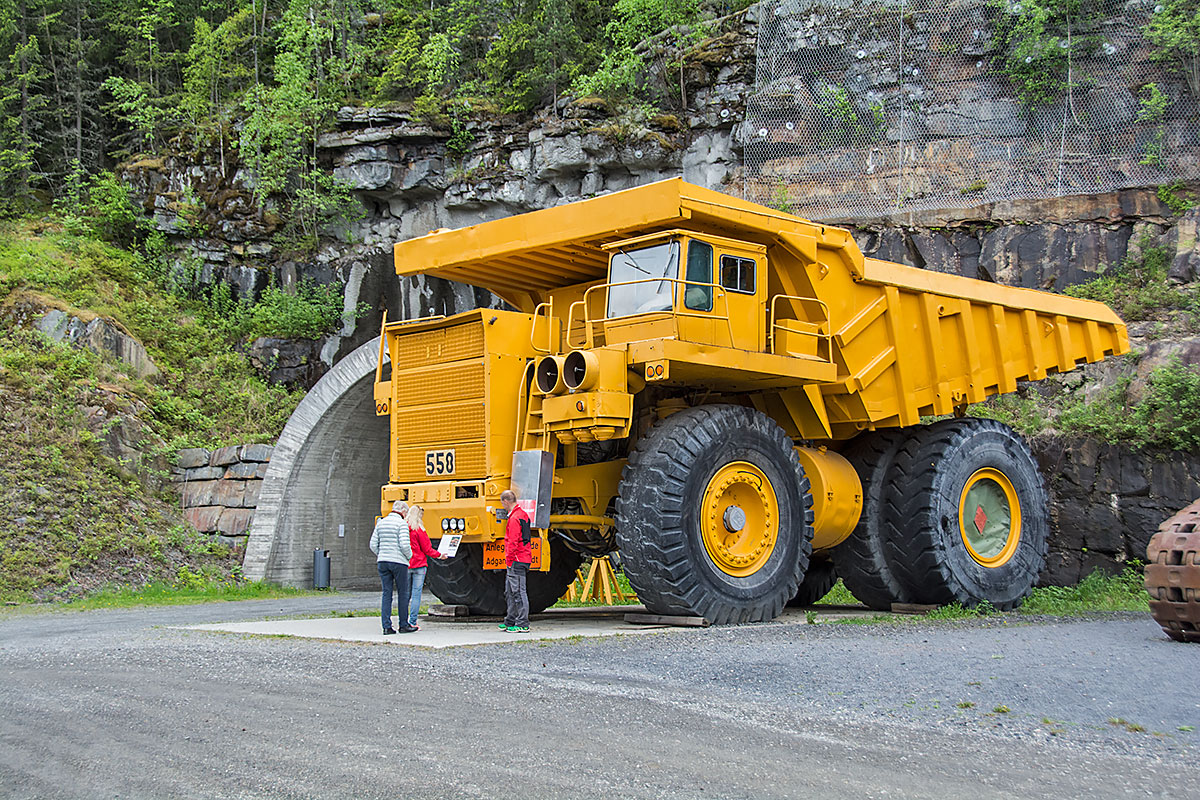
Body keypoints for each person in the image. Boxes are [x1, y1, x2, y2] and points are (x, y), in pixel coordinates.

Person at [369, 499, 415, 634]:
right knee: (403, 593)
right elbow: (405, 545)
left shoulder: (381, 523)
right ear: (403, 511)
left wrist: (382, 554)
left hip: (383, 561)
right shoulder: (402, 524)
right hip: (399, 562)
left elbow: (372, 544)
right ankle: (403, 625)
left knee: (386, 593)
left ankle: (386, 626)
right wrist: (409, 557)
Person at [405, 504, 446, 630]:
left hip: (406, 564)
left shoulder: (403, 528)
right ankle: (413, 621)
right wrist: (440, 555)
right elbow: (427, 549)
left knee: (405, 594)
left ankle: (403, 621)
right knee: (416, 594)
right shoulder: (419, 530)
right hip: (419, 565)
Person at [499, 489, 533, 633]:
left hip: (517, 559)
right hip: (523, 557)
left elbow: (512, 541)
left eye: (502, 503)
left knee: (518, 591)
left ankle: (522, 623)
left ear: (506, 501)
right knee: (510, 591)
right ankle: (510, 620)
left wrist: (509, 559)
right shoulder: (523, 515)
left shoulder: (514, 518)